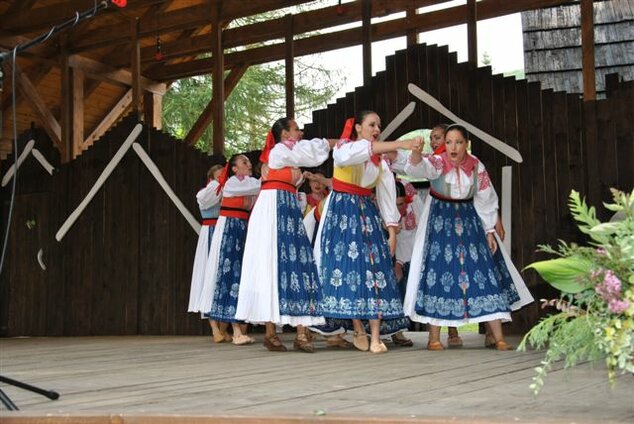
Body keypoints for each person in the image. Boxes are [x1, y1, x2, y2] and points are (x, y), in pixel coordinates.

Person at [403, 124, 533, 351]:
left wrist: (490, 230)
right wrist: (415, 153)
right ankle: (435, 338)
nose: (453, 147)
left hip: (469, 219)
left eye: (458, 142)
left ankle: (498, 336)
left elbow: (486, 198)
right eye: (449, 142)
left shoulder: (476, 166)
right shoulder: (437, 162)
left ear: (466, 145)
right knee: (438, 271)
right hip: (440, 220)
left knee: (483, 270)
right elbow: (417, 169)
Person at [314, 110, 420, 354]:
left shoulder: (381, 163)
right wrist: (401, 143)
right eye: (372, 124)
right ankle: (357, 328)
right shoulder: (344, 148)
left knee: (374, 269)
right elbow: (353, 154)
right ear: (358, 128)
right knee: (347, 267)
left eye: (379, 125)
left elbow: (386, 197)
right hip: (342, 213)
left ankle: (374, 336)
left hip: (367, 215)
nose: (376, 128)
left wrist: (392, 231)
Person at [236, 118, 336, 353]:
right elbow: (312, 153)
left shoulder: (288, 154)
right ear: (284, 134)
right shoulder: (279, 151)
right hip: (272, 210)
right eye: (295, 129)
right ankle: (272, 333)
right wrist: (337, 143)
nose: (300, 132)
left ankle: (301, 333)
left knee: (299, 265)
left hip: (288, 210)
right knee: (271, 265)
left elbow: (305, 156)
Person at [196, 154, 261, 345]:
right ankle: (235, 331)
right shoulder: (232, 183)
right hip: (230, 228)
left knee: (240, 274)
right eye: (244, 162)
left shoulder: (248, 182)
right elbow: (257, 186)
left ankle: (233, 329)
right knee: (229, 273)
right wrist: (269, 176)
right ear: (234, 169)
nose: (249, 164)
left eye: (249, 162)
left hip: (241, 227)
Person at [187, 164, 230, 341]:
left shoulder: (228, 189)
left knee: (223, 276)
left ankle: (222, 327)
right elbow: (209, 199)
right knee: (208, 275)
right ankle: (214, 328)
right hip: (210, 231)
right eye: (219, 175)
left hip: (224, 231)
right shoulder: (205, 193)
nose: (222, 178)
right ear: (211, 177)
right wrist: (218, 184)